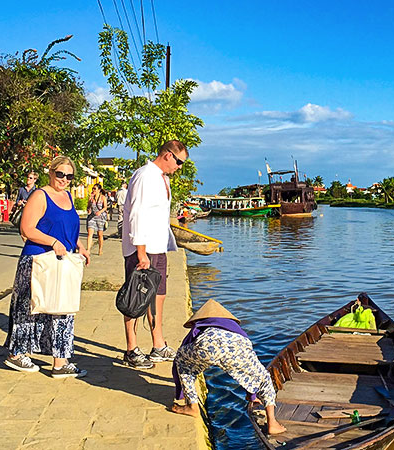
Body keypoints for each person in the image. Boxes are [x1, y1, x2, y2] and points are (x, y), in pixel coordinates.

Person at [4, 156, 91, 378]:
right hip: (38, 260)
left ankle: (60, 362)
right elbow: (27, 229)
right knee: (31, 306)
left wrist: (80, 245)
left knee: (62, 307)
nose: (64, 179)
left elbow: (68, 228)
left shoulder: (68, 197)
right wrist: (53, 242)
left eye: (69, 176)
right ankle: (17, 353)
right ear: (51, 172)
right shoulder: (40, 195)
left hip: (62, 261)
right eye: (60, 174)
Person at [171, 300, 285, 435]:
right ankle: (272, 422)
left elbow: (185, 346)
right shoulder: (234, 329)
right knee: (264, 379)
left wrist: (180, 390)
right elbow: (249, 368)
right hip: (236, 347)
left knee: (183, 363)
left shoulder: (200, 325)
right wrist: (252, 395)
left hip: (206, 346)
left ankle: (192, 406)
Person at [120, 140, 186, 369]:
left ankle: (158, 345)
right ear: (168, 155)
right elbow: (136, 214)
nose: (179, 167)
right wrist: (141, 252)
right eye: (179, 162)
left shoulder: (162, 178)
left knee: (158, 295)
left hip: (158, 247)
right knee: (135, 297)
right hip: (143, 248)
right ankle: (131, 349)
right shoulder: (145, 176)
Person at [86, 184, 108, 255]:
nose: (93, 190)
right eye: (93, 188)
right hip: (92, 217)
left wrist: (100, 212)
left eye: (95, 189)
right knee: (90, 233)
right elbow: (88, 207)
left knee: (100, 234)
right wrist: (90, 204)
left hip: (100, 218)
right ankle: (88, 249)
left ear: (99, 190)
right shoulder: (91, 198)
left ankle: (100, 249)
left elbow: (105, 207)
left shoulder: (102, 197)